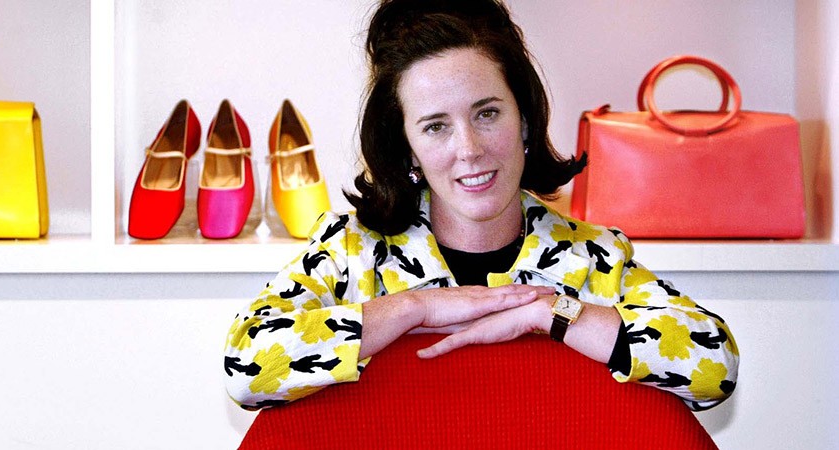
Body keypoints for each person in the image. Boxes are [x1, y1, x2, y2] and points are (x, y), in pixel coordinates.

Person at [224, 0, 738, 412]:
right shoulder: (350, 250)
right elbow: (246, 366)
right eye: (435, 126)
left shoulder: (593, 256)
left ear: (525, 120)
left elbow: (715, 365)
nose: (468, 149)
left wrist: (552, 312)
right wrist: (415, 307)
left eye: (487, 114)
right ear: (407, 148)